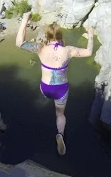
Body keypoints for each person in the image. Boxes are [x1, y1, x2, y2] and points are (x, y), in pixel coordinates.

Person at [15, 12, 94, 156]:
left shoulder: (40, 48)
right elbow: (89, 52)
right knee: (60, 114)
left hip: (45, 88)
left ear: (47, 35)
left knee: (45, 90)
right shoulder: (68, 50)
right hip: (61, 90)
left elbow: (19, 43)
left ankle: (45, 99)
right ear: (60, 35)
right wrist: (90, 35)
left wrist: (25, 19)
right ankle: (60, 134)